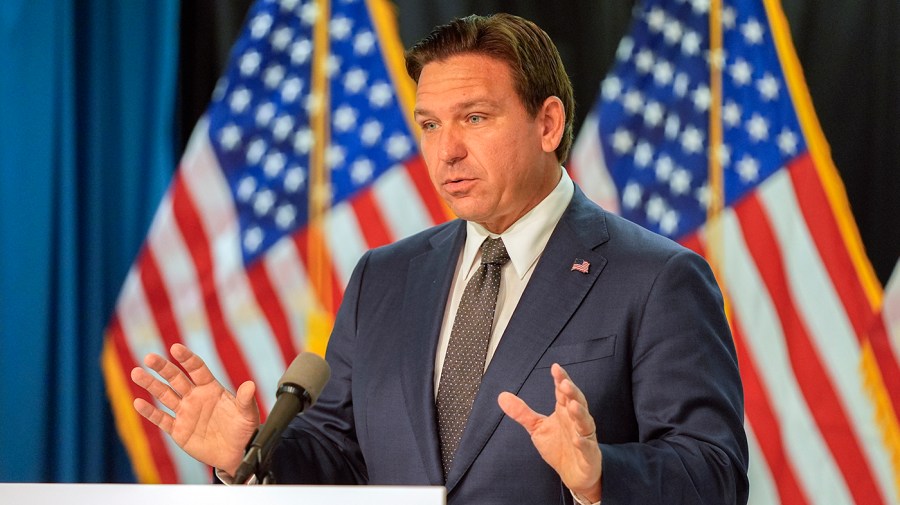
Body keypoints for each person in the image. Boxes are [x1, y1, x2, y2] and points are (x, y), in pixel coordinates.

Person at [131, 13, 749, 504]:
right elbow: (339, 456)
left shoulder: (657, 278)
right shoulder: (384, 277)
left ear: (548, 124)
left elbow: (714, 472)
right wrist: (250, 452)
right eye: (429, 125)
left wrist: (599, 474)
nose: (446, 151)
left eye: (474, 118)